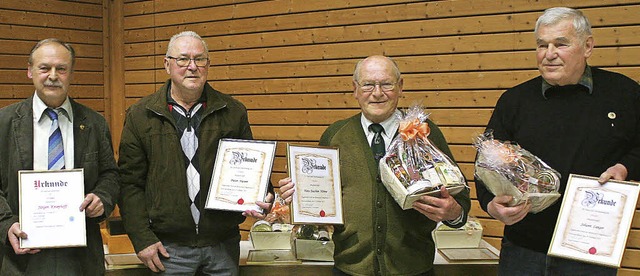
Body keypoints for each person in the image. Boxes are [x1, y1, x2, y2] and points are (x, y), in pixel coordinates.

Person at [475, 7, 640, 275]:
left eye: (560, 44)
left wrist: (625, 168)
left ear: (587, 46)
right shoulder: (514, 100)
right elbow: (485, 163)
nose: (549, 54)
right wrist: (490, 205)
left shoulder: (624, 94)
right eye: (542, 45)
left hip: (589, 253)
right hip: (522, 250)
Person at [278, 55, 471, 275]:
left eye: (386, 84)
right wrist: (297, 196)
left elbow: (461, 198)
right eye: (368, 84)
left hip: (413, 268)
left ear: (400, 87)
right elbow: (320, 199)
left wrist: (454, 213)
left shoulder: (423, 132)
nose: (377, 93)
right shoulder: (335, 136)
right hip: (350, 269)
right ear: (355, 89)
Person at [118, 31, 270, 275]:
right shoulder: (140, 115)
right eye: (183, 59)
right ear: (167, 64)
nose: (192, 67)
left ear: (208, 65)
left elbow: (251, 167)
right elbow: (129, 183)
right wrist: (141, 237)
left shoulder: (232, 111)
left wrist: (263, 195)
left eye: (199, 59)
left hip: (222, 245)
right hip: (168, 249)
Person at [0, 38, 119, 275]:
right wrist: (6, 224)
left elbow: (110, 175)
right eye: (44, 68)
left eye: (61, 69)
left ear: (71, 74)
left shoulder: (94, 123)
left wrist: (102, 198)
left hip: (80, 257)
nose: (53, 75)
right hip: (22, 257)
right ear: (29, 71)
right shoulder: (4, 122)